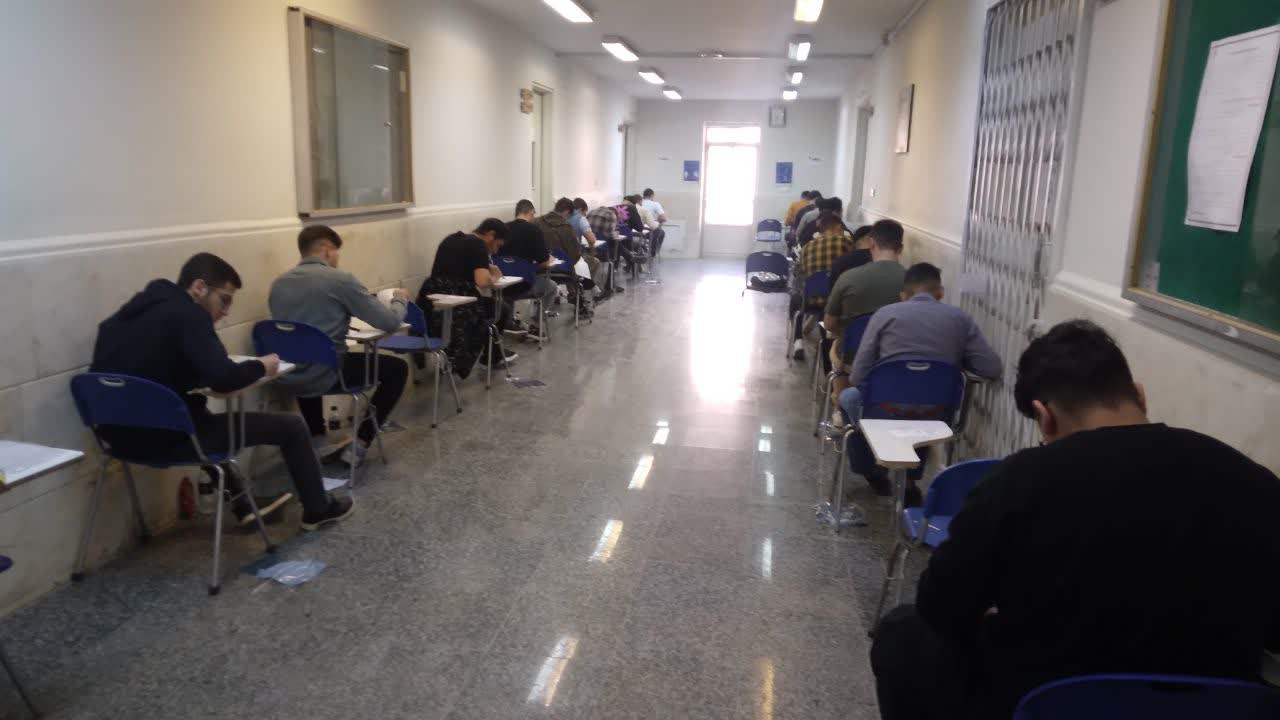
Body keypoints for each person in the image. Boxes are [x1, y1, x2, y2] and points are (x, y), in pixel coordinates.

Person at [870, 319, 1280, 720]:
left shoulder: (1018, 482)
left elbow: (941, 606)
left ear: (1044, 416)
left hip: (1047, 698)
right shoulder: (1250, 480)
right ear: (1139, 395)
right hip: (1219, 704)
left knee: (900, 634)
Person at [91, 253, 353, 530]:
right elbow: (223, 378)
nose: (226, 311)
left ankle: (244, 507)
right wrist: (261, 366)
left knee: (196, 413)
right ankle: (318, 509)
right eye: (224, 299)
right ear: (199, 288)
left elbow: (151, 369)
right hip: (167, 440)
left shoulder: (120, 319)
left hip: (116, 439)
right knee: (291, 427)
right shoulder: (189, 315)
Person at [838, 263, 1002, 498]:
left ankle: (872, 470)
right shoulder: (960, 319)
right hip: (938, 414)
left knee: (848, 397)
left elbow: (857, 376)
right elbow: (991, 368)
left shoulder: (885, 315)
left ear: (903, 295)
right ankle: (909, 481)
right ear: (940, 293)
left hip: (883, 410)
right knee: (922, 407)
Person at [269, 225, 411, 468]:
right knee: (397, 369)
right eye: (337, 252)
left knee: (308, 353)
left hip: (289, 374)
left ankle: (317, 440)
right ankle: (360, 442)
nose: (337, 258)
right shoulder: (340, 280)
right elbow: (389, 322)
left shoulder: (279, 284)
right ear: (327, 250)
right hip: (329, 374)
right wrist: (399, 299)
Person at [417, 218, 516, 374]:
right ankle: (490, 357)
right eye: (497, 245)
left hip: (432, 299)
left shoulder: (451, 239)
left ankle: (489, 354)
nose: (496, 251)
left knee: (492, 309)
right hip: (459, 302)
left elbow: (457, 266)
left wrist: (486, 265)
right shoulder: (478, 245)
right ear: (491, 235)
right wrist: (494, 277)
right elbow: (482, 281)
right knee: (501, 309)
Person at [824, 219, 907, 403]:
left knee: (838, 348)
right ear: (900, 248)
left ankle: (840, 405)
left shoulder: (849, 277)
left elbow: (829, 324)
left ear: (871, 243)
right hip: (895, 358)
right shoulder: (911, 282)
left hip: (852, 356)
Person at [790, 210, 856, 359]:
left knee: (801, 297)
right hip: (838, 303)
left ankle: (799, 342)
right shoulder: (845, 242)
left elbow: (801, 273)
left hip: (812, 301)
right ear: (838, 227)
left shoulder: (807, 247)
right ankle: (832, 354)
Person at [505, 199, 559, 341]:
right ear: (530, 212)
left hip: (502, 288)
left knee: (512, 276)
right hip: (525, 287)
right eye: (533, 214)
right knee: (552, 287)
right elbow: (544, 261)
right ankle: (536, 322)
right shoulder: (534, 230)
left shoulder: (503, 229)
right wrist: (548, 260)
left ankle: (508, 321)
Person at [539, 198, 599, 314]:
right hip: (564, 271)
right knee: (585, 264)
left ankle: (583, 292)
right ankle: (582, 296)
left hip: (542, 269)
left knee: (578, 265)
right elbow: (575, 256)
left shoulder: (538, 222)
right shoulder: (567, 227)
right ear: (566, 212)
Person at [588, 202, 624, 300]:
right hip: (601, 245)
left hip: (588, 244)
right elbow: (609, 234)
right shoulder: (611, 215)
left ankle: (611, 285)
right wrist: (616, 235)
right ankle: (607, 288)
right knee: (611, 257)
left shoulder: (591, 211)